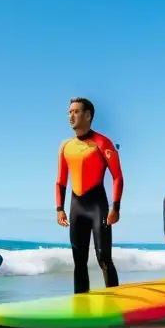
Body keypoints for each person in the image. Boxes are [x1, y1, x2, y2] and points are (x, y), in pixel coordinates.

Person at [55, 97, 122, 294]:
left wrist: (116, 207)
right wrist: (59, 209)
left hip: (97, 205)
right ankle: (81, 304)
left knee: (103, 257)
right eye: (69, 112)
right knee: (79, 260)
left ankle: (115, 301)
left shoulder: (102, 142)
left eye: (76, 111)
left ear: (88, 115)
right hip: (76, 207)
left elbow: (117, 176)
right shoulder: (65, 146)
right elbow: (60, 181)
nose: (71, 116)